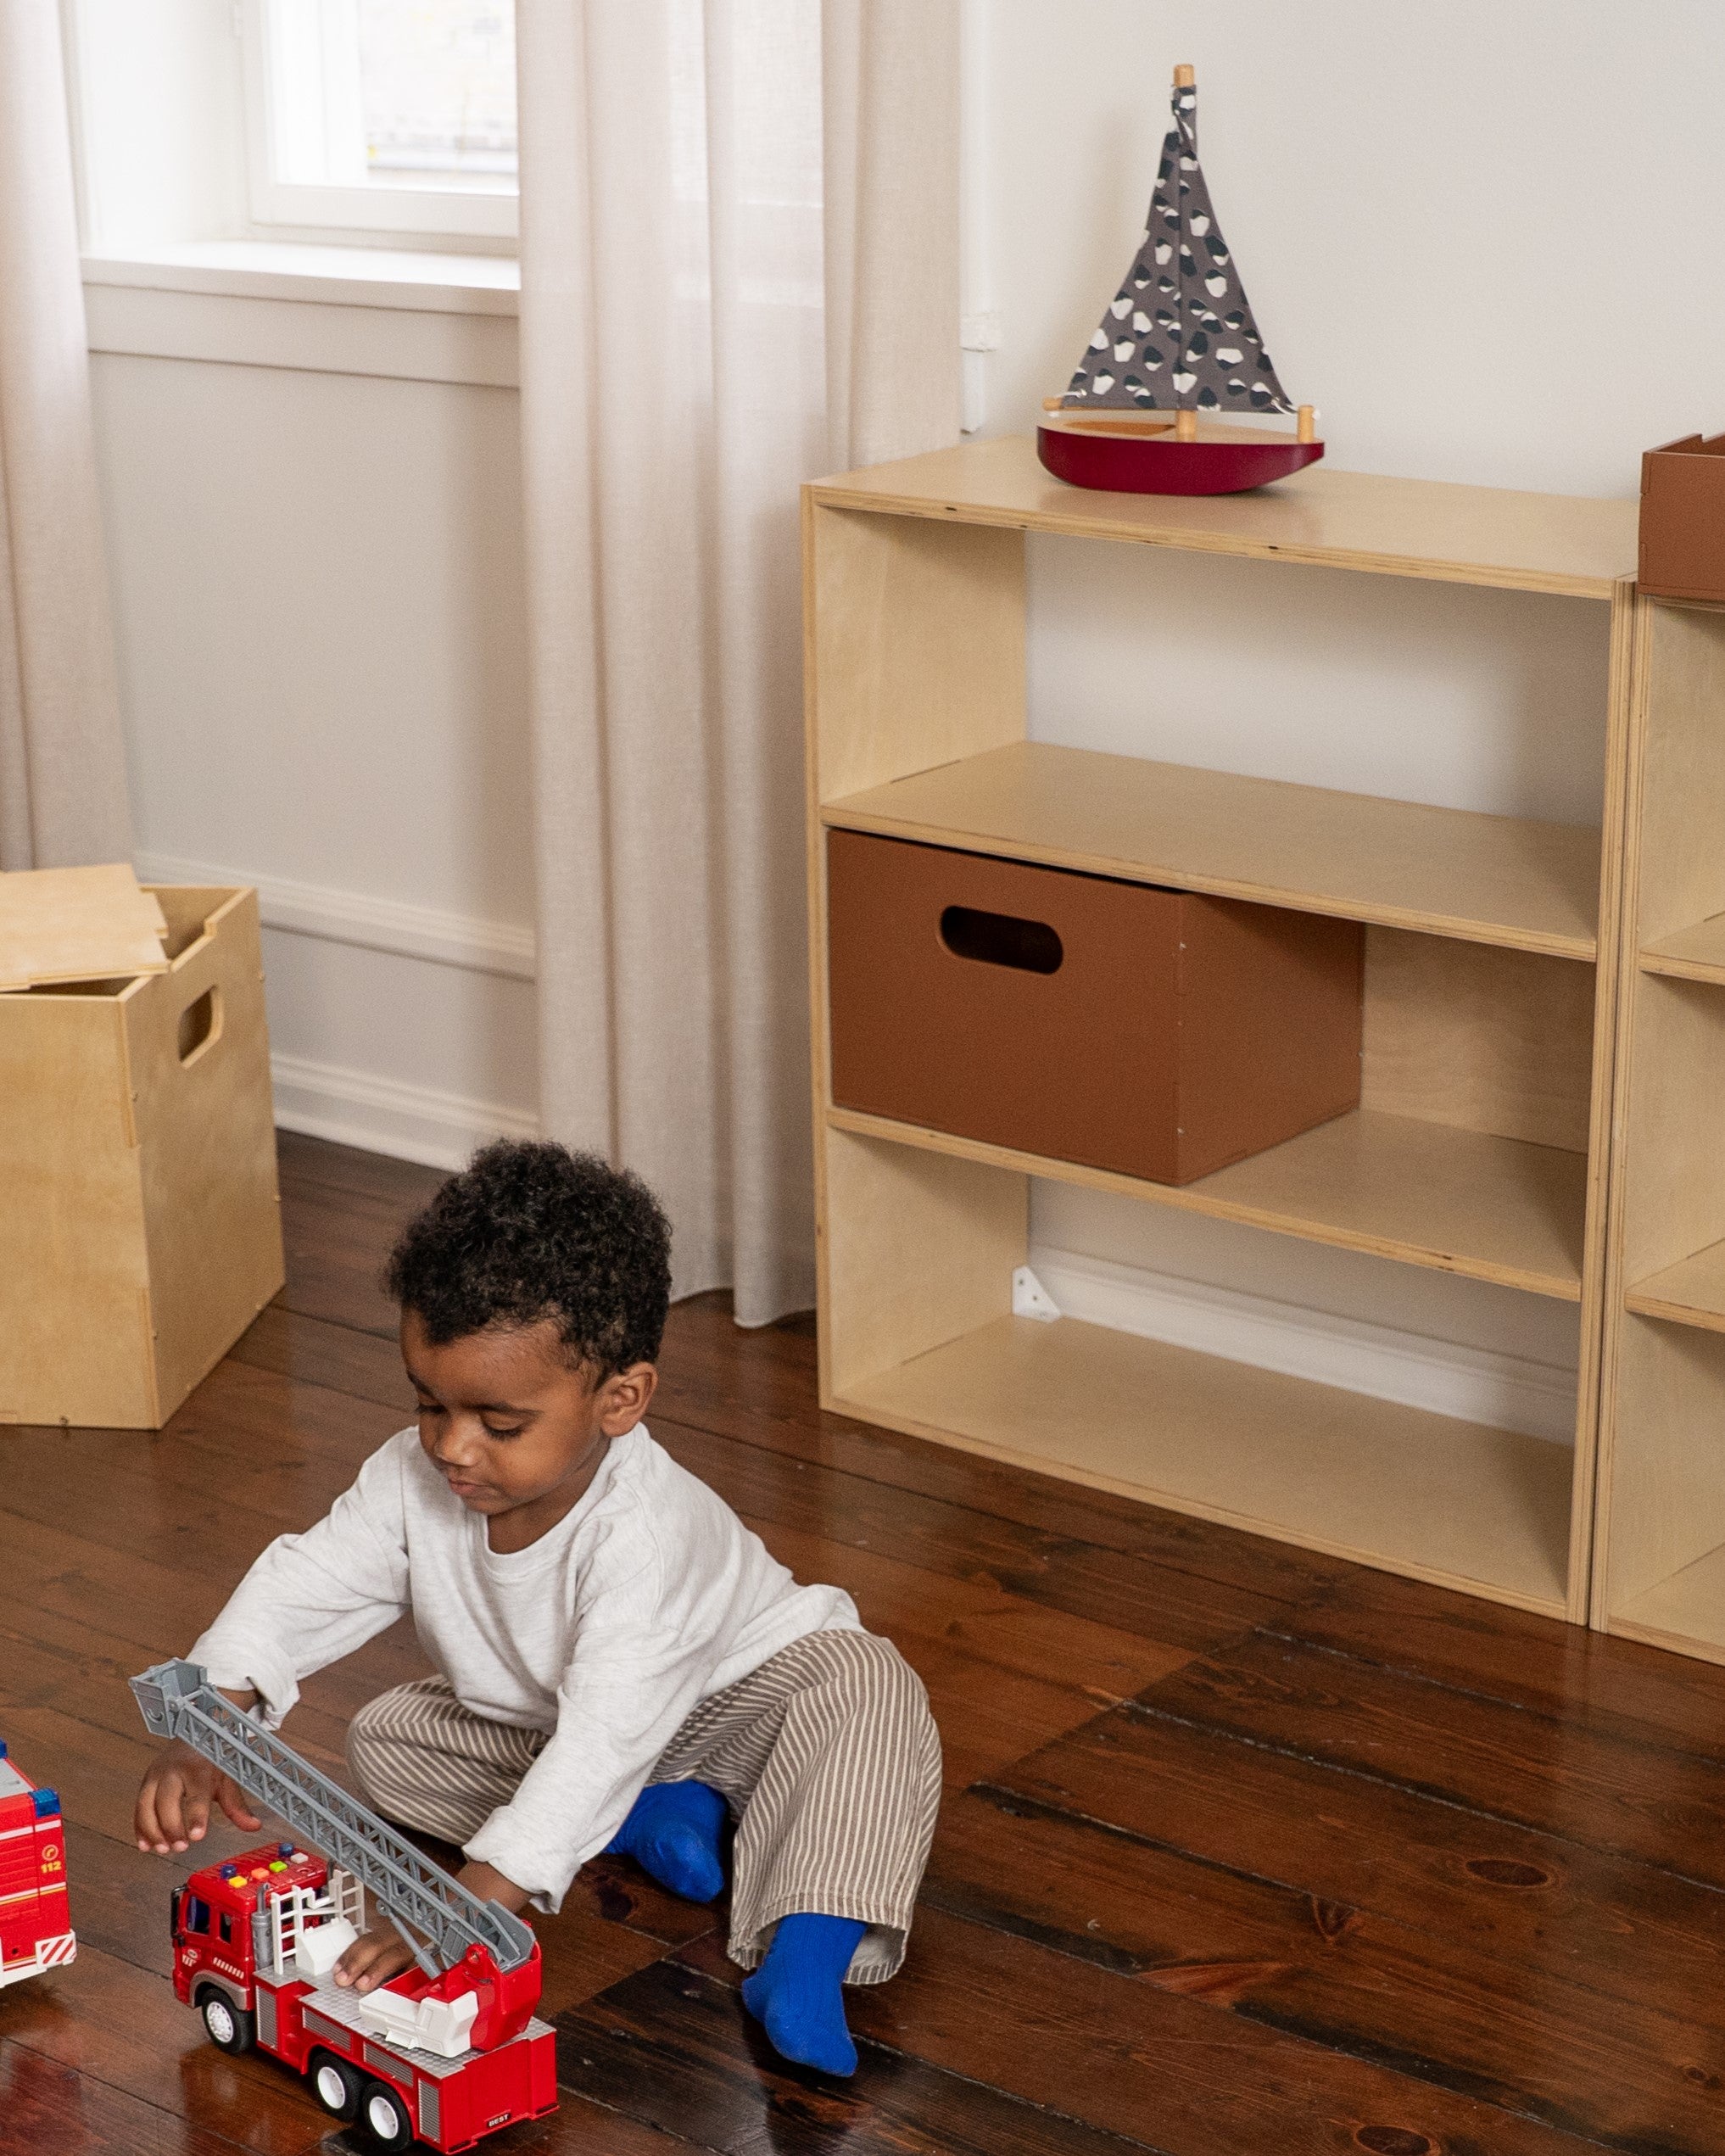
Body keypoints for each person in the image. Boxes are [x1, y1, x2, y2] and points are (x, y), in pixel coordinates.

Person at [131, 1140, 941, 2077]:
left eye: (500, 1424)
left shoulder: (642, 1534)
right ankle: (648, 1813)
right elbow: (302, 1583)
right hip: (577, 1724)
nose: (454, 1448)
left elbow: (606, 1735)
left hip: (753, 1700)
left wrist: (459, 1905)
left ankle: (803, 1952)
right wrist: (210, 1719)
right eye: (429, 1405)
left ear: (621, 1399)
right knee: (392, 1734)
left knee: (875, 1694)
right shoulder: (410, 1477)